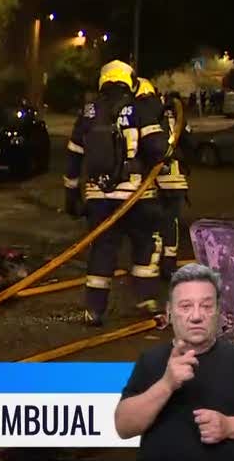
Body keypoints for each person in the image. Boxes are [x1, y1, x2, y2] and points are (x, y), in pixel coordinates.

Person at [114, 263, 234, 460]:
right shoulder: (151, 360)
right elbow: (123, 427)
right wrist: (166, 384)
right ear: (169, 311)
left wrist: (228, 426)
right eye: (186, 306)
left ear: (218, 311)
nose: (196, 316)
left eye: (206, 306)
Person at [64, 60, 169, 327]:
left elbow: (74, 156)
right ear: (129, 81)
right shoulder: (139, 109)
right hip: (135, 197)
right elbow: (157, 148)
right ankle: (147, 300)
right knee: (146, 242)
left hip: (98, 199)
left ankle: (94, 310)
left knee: (102, 250)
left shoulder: (88, 112)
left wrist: (72, 195)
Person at [155, 90, 193, 279]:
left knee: (155, 224)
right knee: (171, 223)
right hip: (175, 181)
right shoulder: (178, 120)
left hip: (153, 183)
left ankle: (153, 264)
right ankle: (168, 265)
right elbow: (189, 144)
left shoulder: (147, 116)